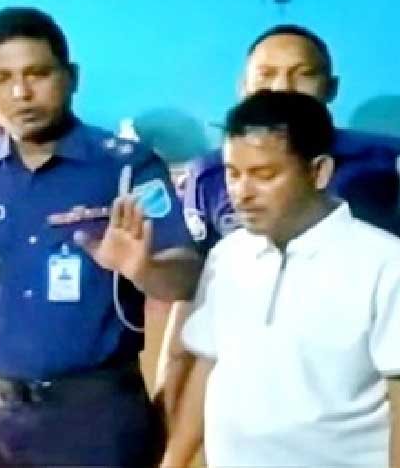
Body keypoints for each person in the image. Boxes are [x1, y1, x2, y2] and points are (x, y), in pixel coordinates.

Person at [0, 7, 201, 467]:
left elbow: (187, 278)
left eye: (37, 74)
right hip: (0, 419)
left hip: (98, 417)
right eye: (1, 79)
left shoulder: (126, 168)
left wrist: (143, 269)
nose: (20, 93)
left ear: (71, 77)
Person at [155, 24, 400, 427]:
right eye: (266, 74)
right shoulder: (210, 175)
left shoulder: (385, 163)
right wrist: (169, 385)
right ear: (243, 86)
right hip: (255, 400)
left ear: (331, 88)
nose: (282, 88)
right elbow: (195, 294)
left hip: (354, 401)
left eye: (302, 74)